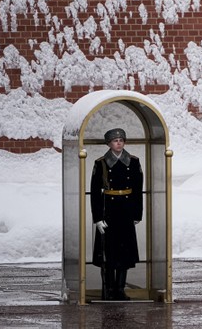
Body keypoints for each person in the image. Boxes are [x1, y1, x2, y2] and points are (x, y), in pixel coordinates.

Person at [90, 128, 143, 301]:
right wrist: (97, 218)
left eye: (121, 140)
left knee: (124, 254)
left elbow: (137, 191)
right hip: (109, 213)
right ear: (109, 144)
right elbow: (95, 194)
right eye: (115, 140)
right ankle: (109, 290)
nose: (119, 143)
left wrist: (137, 213)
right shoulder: (101, 163)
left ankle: (120, 289)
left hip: (126, 212)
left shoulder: (134, 162)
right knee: (108, 253)